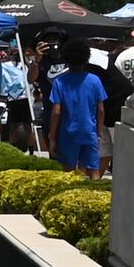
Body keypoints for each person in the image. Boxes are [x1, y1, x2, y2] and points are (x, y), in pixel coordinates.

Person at [45, 46, 110, 174]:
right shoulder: (95, 80)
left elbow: (56, 112)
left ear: (67, 61)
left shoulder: (60, 82)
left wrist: (52, 136)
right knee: (93, 171)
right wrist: (98, 132)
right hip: (89, 131)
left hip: (68, 133)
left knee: (68, 172)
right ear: (86, 60)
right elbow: (101, 110)